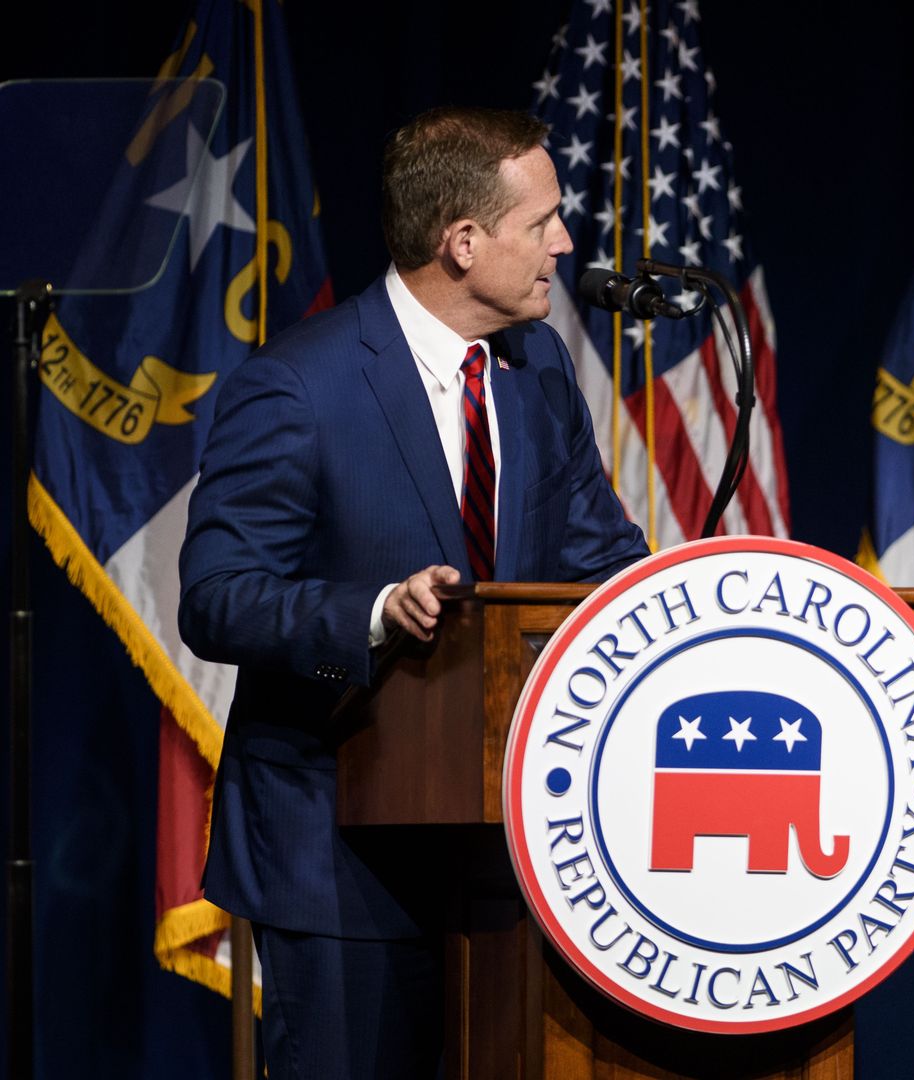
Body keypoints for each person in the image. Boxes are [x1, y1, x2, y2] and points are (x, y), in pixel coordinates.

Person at [179, 106, 653, 1077]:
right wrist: (372, 613)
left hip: (511, 852)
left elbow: (598, 558)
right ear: (464, 241)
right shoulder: (297, 389)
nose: (565, 243)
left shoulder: (537, 370)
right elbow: (218, 597)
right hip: (339, 850)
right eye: (544, 222)